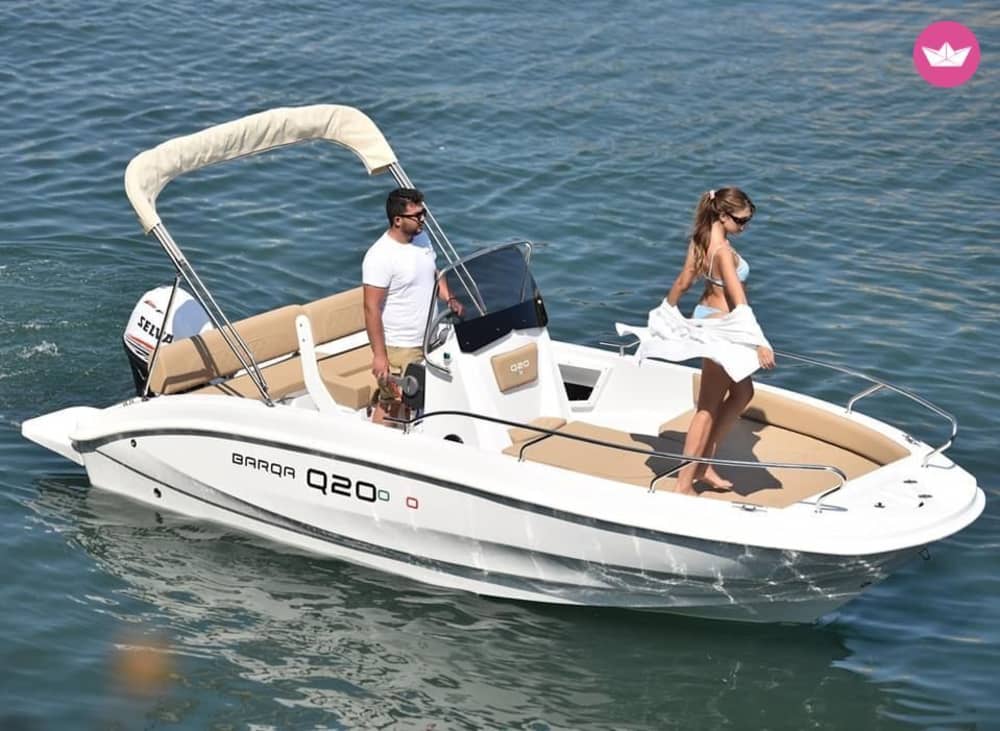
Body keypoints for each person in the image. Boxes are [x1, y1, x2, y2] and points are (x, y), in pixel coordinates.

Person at [663, 187, 775, 495]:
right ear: (723, 215)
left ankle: (704, 464)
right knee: (707, 408)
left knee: (743, 392)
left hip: (708, 317)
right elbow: (739, 302)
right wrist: (760, 343)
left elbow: (684, 281)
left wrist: (666, 309)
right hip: (722, 329)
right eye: (741, 221)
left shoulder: (701, 240)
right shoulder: (724, 253)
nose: (744, 227)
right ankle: (684, 484)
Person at [362, 187, 461, 425]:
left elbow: (434, 273)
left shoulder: (421, 239)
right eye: (417, 216)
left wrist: (449, 298)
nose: (423, 219)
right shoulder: (380, 256)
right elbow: (370, 308)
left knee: (413, 402)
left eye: (423, 213)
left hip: (428, 339)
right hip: (400, 346)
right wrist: (379, 355)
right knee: (393, 403)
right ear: (398, 220)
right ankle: (375, 449)